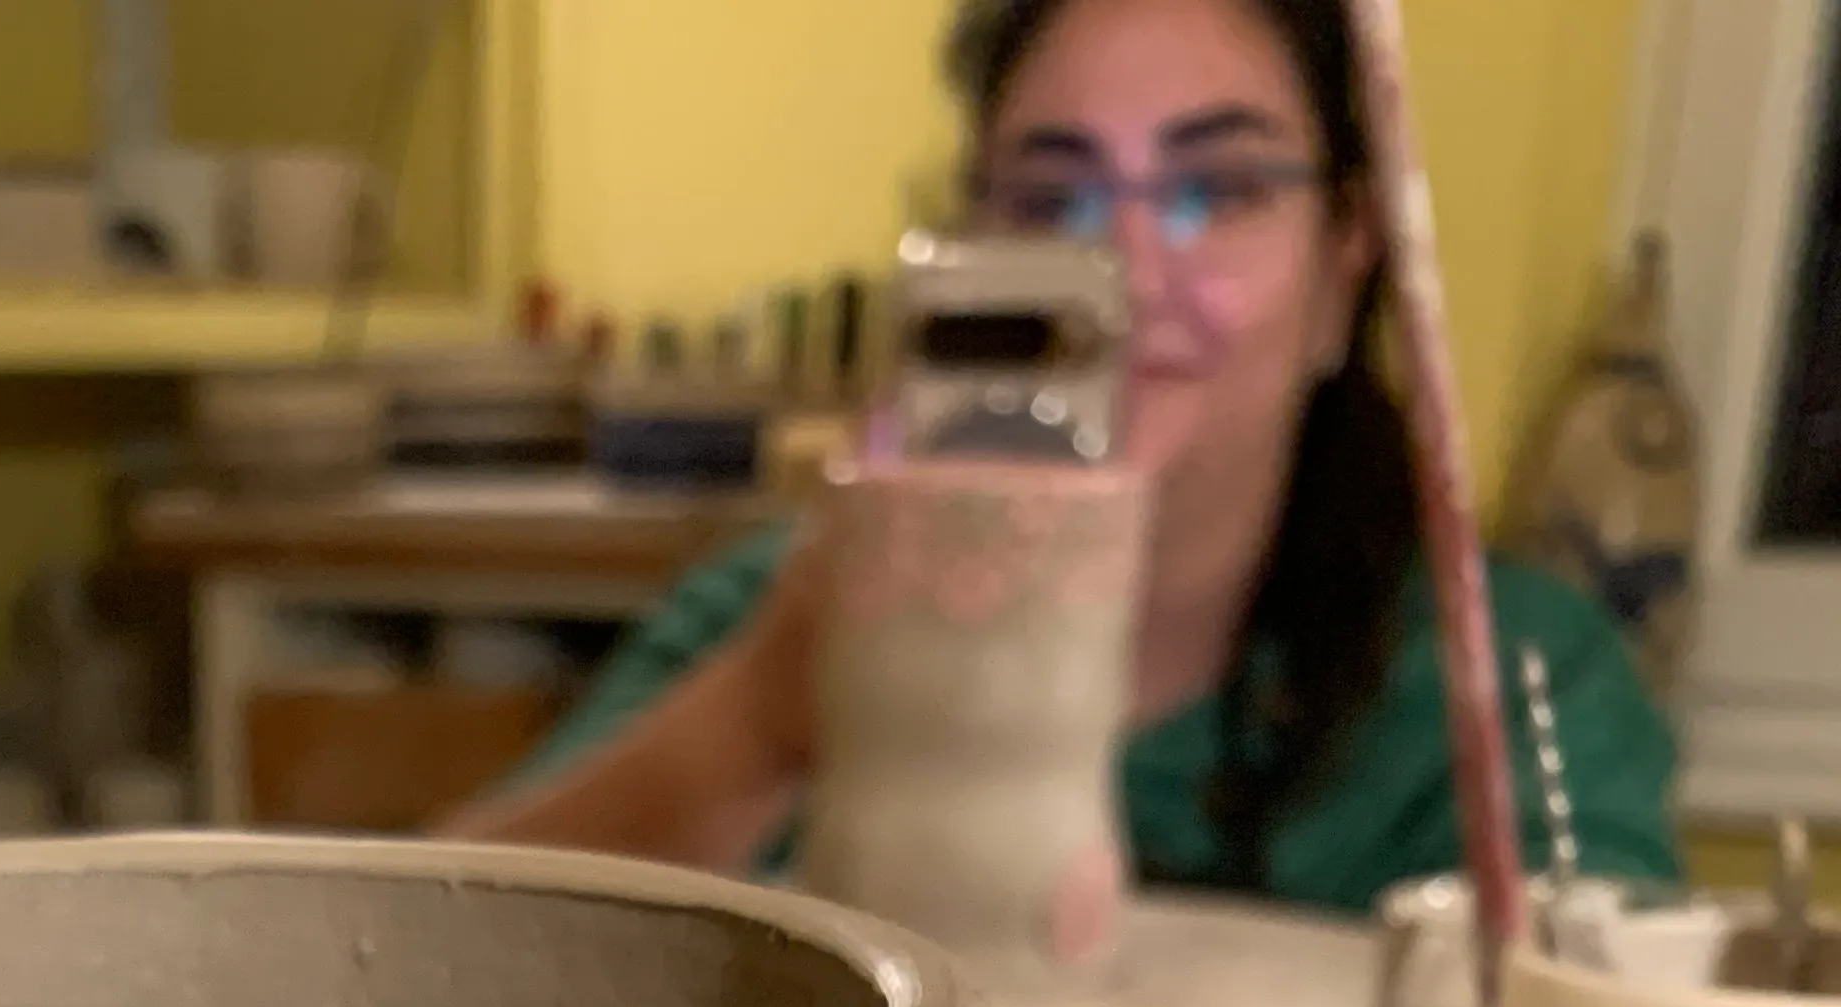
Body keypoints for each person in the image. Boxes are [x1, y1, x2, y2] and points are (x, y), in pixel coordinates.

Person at [464, 0, 1685, 914]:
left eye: (1218, 190)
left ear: (1344, 264)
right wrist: (764, 718)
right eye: (1054, 203)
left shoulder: (1508, 685)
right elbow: (424, 974)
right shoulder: (772, 619)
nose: (1131, 276)